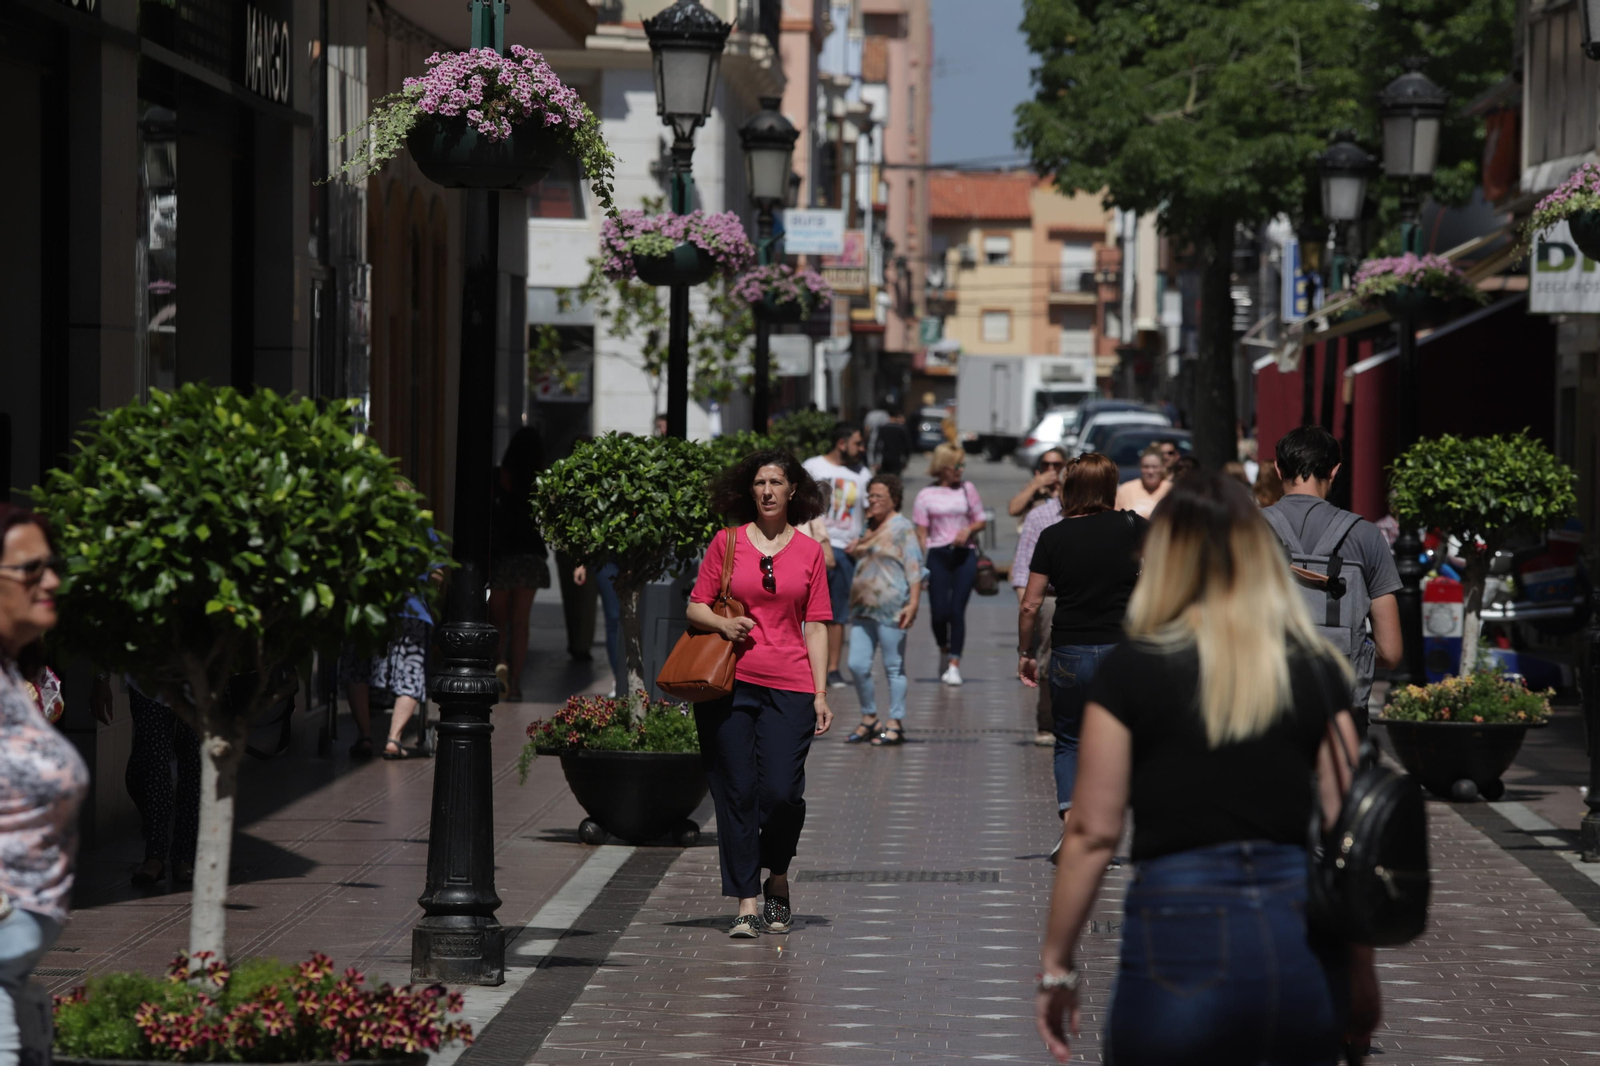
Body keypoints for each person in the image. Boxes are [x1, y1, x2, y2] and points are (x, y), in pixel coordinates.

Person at [1034, 472, 1379, 1065]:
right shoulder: (1315, 669)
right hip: (1294, 928)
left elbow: (1092, 832)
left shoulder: (1134, 669)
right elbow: (1352, 829)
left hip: (1176, 925)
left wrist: (1057, 967)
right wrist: (1361, 971)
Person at [687, 450, 833, 938]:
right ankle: (748, 901)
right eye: (759, 483)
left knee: (781, 793)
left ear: (794, 491)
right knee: (738, 790)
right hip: (730, 681)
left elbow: (816, 626)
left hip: (790, 685)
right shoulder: (726, 543)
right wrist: (725, 624)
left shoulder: (810, 553)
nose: (767, 491)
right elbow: (695, 607)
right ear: (749, 491)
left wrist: (820, 692)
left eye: (776, 482)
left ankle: (778, 877)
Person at [1018, 453, 1146, 861]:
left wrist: (1025, 652)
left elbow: (1030, 604)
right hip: (1120, 650)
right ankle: (1109, 826)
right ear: (1110, 487)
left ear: (1071, 487)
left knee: (1070, 740)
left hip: (1069, 649)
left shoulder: (1054, 536)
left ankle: (1073, 827)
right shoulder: (1134, 526)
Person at [0, 506, 89, 1066]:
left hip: (17, 977)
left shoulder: (14, 675)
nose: (52, 581)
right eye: (32, 570)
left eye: (52, 566)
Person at [1262, 426, 1403, 729]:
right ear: (1335, 471)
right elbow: (1390, 652)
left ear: (1277, 469)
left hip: (1263, 712)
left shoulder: (1244, 530)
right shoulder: (1366, 535)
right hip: (1341, 717)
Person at [90, 676, 200, 887]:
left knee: (196, 768)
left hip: (202, 676)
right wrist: (101, 680)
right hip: (149, 676)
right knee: (150, 766)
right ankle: (155, 854)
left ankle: (184, 856)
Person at [844, 475, 923, 746]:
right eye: (871, 496)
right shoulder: (868, 525)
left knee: (893, 667)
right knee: (856, 664)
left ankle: (895, 722)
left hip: (892, 607)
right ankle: (869, 718)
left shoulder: (902, 528)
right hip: (863, 607)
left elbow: (915, 567)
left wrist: (913, 604)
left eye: (880, 497)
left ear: (895, 500)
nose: (873, 501)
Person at [802, 423, 872, 689]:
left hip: (845, 551)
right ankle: (806, 665)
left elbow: (869, 511)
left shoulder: (862, 474)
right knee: (806, 609)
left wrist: (862, 538)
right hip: (813, 546)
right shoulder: (814, 466)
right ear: (842, 443)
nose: (862, 448)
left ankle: (832, 669)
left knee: (838, 613)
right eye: (858, 443)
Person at [912, 443, 988, 686]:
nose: (961, 469)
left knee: (957, 610)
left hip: (965, 555)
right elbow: (921, 534)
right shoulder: (925, 495)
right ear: (943, 467)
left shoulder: (967, 489)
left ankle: (954, 663)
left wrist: (968, 529)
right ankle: (943, 650)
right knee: (938, 613)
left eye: (962, 464)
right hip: (938, 556)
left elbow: (981, 520)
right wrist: (919, 567)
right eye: (957, 465)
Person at [489, 428, 552, 701]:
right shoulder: (541, 481)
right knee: (520, 622)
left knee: (497, 621)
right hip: (530, 555)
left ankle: (497, 667)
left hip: (503, 554)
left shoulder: (501, 475)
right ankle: (514, 683)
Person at [1012, 456, 1066, 747]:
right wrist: (1027, 618)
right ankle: (1047, 720)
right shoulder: (1041, 516)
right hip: (1051, 598)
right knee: (1048, 662)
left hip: (1089, 599)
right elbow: (1023, 571)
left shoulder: (1101, 517)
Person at [1008, 449, 1067, 521]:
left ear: (1064, 465)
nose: (1050, 468)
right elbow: (1013, 510)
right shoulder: (1035, 484)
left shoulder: (1068, 485)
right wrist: (1035, 486)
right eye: (1046, 464)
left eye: (1056, 464)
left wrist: (1060, 488)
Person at [1113, 446, 1170, 519]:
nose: (1150, 471)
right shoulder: (1125, 490)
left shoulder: (1171, 490)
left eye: (1155, 467)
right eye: (1146, 467)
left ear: (1163, 467)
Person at [869, 410, 912, 476]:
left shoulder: (883, 428)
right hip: (897, 460)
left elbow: (878, 444)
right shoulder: (902, 429)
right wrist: (906, 460)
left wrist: (875, 460)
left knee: (883, 478)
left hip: (884, 460)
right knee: (894, 481)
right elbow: (908, 447)